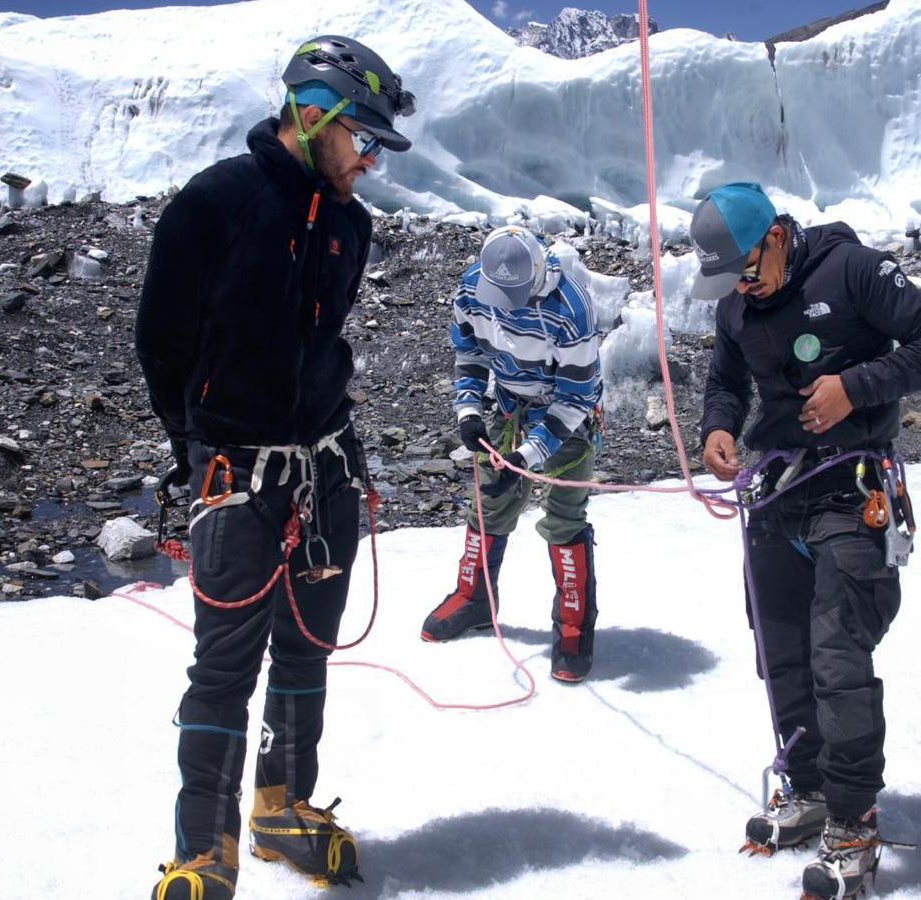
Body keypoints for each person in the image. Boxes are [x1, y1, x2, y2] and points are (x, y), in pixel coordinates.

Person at [134, 35, 415, 900]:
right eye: (361, 138)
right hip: (235, 470)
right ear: (315, 114)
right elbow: (162, 343)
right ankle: (201, 850)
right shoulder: (215, 203)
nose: (368, 161)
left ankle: (279, 806)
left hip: (326, 464)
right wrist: (204, 447)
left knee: (307, 648)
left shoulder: (350, 224)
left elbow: (320, 338)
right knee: (224, 663)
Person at [690, 183, 921, 899]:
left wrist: (857, 387)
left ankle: (852, 820)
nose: (742, 287)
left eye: (748, 268)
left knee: (839, 657)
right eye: (730, 279)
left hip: (853, 487)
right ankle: (805, 789)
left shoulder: (852, 272)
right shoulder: (735, 304)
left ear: (777, 235)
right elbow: (725, 381)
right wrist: (718, 428)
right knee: (781, 655)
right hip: (777, 495)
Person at [419, 226, 605, 684]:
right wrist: (467, 409)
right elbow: (468, 350)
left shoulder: (571, 310)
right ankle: (475, 596)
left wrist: (528, 455)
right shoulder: (471, 287)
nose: (505, 306)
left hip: (566, 418)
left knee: (564, 516)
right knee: (489, 501)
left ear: (538, 273)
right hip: (507, 406)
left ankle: (574, 625)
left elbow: (576, 398)